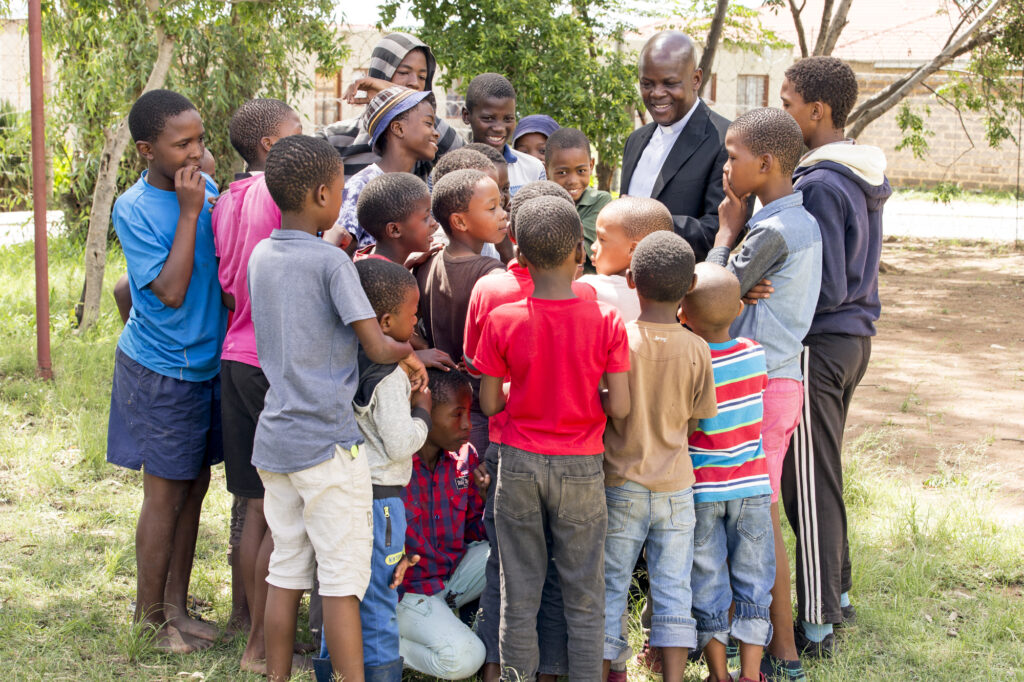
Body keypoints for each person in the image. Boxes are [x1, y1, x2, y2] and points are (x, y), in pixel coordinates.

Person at [247, 134, 426, 682]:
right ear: (325, 193)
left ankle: (275, 677)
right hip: (327, 446)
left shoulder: (262, 253)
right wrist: (410, 356)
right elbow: (376, 344)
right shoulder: (331, 262)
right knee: (343, 584)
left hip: (275, 438)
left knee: (286, 572)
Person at [475, 196, 630, 680]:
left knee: (518, 592)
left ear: (518, 255)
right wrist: (589, 395)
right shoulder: (606, 320)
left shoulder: (502, 320)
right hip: (582, 466)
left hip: (518, 462)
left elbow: (490, 405)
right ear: (580, 255)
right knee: (584, 594)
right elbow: (621, 406)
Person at [778, 56, 891, 657]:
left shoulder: (818, 183)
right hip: (854, 341)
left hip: (818, 344)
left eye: (789, 101)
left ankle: (817, 623)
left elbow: (818, 283)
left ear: (817, 111)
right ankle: (838, 595)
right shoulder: (859, 171)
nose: (784, 110)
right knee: (822, 473)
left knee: (806, 486)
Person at [106, 89, 226, 654]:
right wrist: (188, 213)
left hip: (206, 364)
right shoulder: (135, 208)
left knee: (195, 485)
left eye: (201, 139)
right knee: (165, 493)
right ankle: (148, 620)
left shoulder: (208, 192)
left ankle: (175, 606)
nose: (197, 153)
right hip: (163, 370)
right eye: (183, 144)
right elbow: (172, 291)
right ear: (146, 150)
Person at [705, 107, 822, 680]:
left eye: (732, 156)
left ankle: (784, 651)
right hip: (779, 380)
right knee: (757, 513)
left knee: (760, 518)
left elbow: (703, 299)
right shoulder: (794, 222)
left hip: (761, 384)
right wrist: (737, 289)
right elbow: (729, 294)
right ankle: (764, 641)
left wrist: (727, 237)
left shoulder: (771, 229)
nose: (726, 167)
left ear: (766, 163)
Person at [211, 97, 304, 674]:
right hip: (274, 362)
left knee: (255, 502)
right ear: (272, 146)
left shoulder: (228, 197)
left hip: (235, 355)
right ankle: (265, 645)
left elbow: (228, 286)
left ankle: (250, 625)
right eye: (298, 131)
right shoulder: (280, 195)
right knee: (279, 510)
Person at [601, 231, 718, 682]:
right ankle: (672, 676)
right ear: (691, 284)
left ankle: (613, 673)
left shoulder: (619, 340)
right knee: (673, 587)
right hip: (676, 488)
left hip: (622, 485)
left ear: (630, 281)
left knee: (612, 584)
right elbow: (696, 421)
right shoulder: (698, 348)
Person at [312, 258, 430, 682]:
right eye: (413, 314)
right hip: (381, 501)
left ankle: (333, 673)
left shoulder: (344, 355)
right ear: (384, 319)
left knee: (342, 590)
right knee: (379, 595)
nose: (417, 322)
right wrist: (424, 414)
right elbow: (400, 442)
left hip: (344, 491)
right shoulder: (391, 378)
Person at [681, 263, 774, 682]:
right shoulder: (755, 354)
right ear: (739, 308)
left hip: (703, 491)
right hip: (752, 488)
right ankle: (751, 674)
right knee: (754, 582)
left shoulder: (690, 363)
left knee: (709, 580)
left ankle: (719, 675)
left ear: (683, 316)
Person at [397, 369, 491, 680]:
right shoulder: (394, 467)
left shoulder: (465, 458)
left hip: (449, 583)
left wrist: (484, 497)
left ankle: (448, 620)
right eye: (456, 414)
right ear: (424, 413)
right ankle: (385, 644)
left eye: (468, 412)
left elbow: (475, 534)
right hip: (407, 594)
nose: (467, 425)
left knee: (506, 556)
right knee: (466, 659)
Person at [414, 168, 507, 455]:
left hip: (444, 404)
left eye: (502, 204)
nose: (503, 214)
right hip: (480, 406)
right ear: (459, 221)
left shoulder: (426, 263)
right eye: (492, 208)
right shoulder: (492, 275)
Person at [619, 30, 733, 263]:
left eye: (669, 83)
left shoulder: (726, 141)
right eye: (647, 84)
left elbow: (720, 229)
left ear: (696, 79)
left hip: (681, 290)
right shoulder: (635, 140)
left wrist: (647, 225)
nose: (657, 94)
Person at [318, 32, 463, 181]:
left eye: (422, 77)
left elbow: (469, 162)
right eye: (404, 72)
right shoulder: (335, 139)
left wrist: (405, 99)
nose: (414, 83)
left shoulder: (421, 141)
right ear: (379, 75)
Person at [336, 87, 440, 251]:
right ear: (398, 129)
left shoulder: (420, 187)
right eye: (428, 123)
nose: (436, 133)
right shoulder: (362, 186)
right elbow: (342, 251)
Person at [577, 196, 673, 323]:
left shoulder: (588, 287)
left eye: (602, 239)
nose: (593, 247)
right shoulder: (666, 297)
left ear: (633, 249)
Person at [461, 73, 546, 196]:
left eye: (508, 119)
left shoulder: (533, 168)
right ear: (466, 115)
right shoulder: (450, 170)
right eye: (488, 118)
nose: (499, 128)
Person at [544, 127, 612, 272]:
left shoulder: (600, 201)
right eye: (562, 172)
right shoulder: (540, 201)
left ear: (591, 165)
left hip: (588, 286)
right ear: (547, 171)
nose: (573, 181)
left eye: (581, 171)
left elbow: (577, 248)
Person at [353, 172, 435, 265]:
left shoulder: (368, 262)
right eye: (426, 217)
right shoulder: (384, 277)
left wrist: (407, 265)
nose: (434, 223)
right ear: (394, 230)